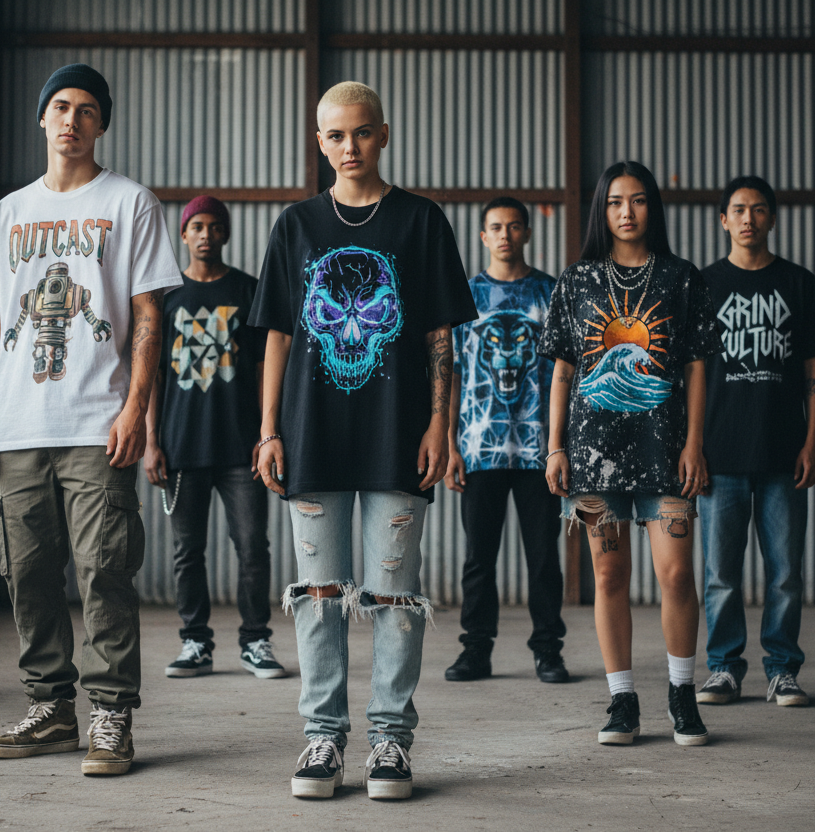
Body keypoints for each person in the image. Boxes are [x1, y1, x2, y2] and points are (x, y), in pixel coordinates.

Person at [249, 81, 477, 800]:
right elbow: (279, 338)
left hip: (398, 437)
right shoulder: (296, 226)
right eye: (335, 136)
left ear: (384, 134)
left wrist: (443, 423)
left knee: (393, 594)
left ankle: (390, 743)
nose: (349, 148)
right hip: (311, 435)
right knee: (318, 596)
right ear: (319, 142)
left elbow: (441, 334)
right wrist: (267, 431)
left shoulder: (420, 222)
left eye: (361, 133)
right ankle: (322, 739)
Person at [0, 64, 183, 776]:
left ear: (102, 124)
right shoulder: (9, 213)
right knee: (23, 569)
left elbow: (149, 316)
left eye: (87, 109)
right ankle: (51, 708)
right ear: (42, 117)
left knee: (103, 569)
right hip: (19, 426)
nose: (72, 120)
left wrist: (136, 410)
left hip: (96, 421)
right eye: (60, 106)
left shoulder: (129, 202)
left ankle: (111, 714)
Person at [539, 160, 722, 747]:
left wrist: (695, 443)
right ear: (602, 209)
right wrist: (555, 446)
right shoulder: (576, 281)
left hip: (667, 450)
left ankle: (681, 694)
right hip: (594, 455)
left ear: (653, 208)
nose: (627, 211)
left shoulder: (683, 278)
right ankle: (622, 700)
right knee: (608, 573)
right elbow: (564, 371)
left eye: (638, 200)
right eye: (616, 201)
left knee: (676, 574)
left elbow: (696, 367)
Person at [696, 176, 815, 708]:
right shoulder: (704, 287)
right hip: (720, 456)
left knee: (785, 575)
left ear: (773, 219)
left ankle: (782, 670)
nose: (749, 218)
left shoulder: (799, 284)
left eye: (759, 210)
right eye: (738, 210)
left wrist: (813, 442)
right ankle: (724, 669)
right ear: (723, 220)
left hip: (784, 455)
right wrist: (691, 447)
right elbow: (687, 374)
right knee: (720, 577)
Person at [143, 195, 285, 680]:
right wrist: (150, 441)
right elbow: (154, 373)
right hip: (181, 448)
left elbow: (268, 364)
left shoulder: (248, 291)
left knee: (252, 546)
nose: (205, 234)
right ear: (183, 235)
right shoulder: (165, 296)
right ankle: (194, 643)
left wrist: (268, 433)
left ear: (225, 234)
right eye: (196, 226)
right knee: (188, 551)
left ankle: (256, 642)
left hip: (241, 447)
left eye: (214, 226)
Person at [443, 196, 568, 684]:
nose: (505, 235)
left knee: (543, 558)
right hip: (479, 450)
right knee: (479, 559)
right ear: (482, 236)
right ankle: (476, 650)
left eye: (514, 227)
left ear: (527, 233)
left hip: (538, 450)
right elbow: (450, 372)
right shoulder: (465, 294)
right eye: (496, 227)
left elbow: (567, 374)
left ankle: (548, 651)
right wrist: (451, 442)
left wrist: (561, 445)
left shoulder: (550, 292)